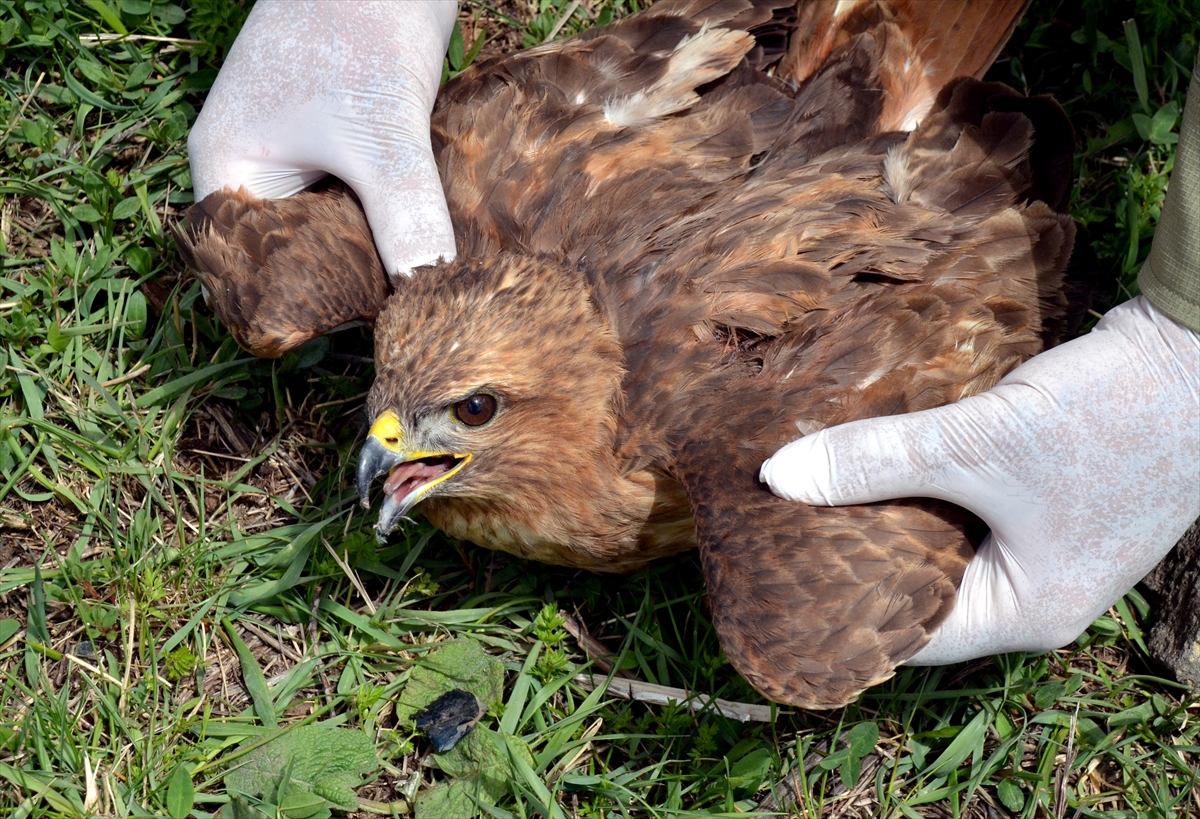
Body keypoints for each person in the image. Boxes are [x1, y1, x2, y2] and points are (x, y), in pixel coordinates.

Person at [189, 1, 1200, 665]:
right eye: (398, 412)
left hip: (892, 162)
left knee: (809, 644)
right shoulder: (441, 272)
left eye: (472, 410)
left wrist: (1182, 354)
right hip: (788, 105)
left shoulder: (685, 446)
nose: (382, 442)